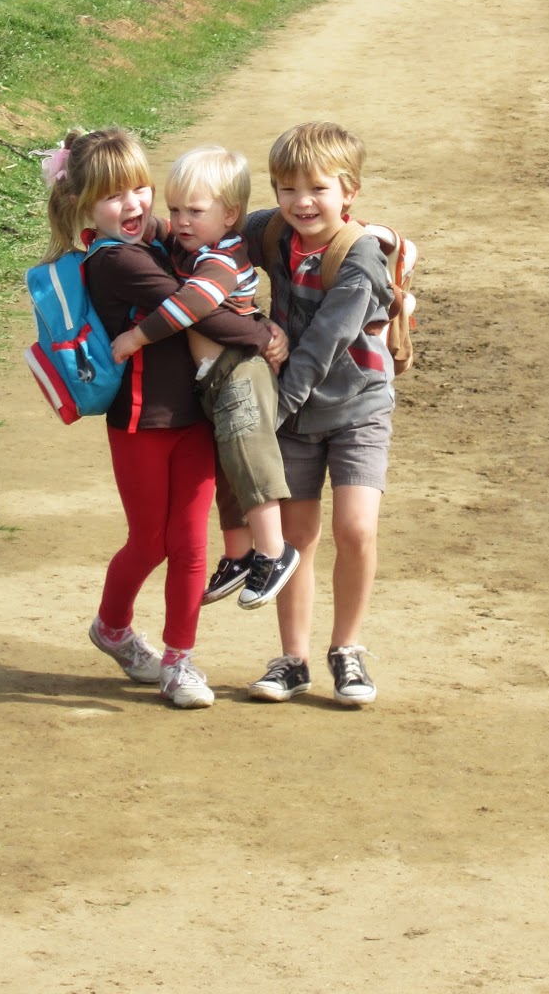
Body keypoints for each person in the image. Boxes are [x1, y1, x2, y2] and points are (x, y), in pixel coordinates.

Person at [42, 128, 281, 710]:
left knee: (189, 544)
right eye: (113, 197)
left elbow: (224, 229)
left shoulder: (152, 237)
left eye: (139, 190)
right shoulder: (118, 261)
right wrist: (268, 333)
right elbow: (203, 312)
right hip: (140, 422)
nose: (134, 206)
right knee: (149, 541)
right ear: (83, 209)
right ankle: (113, 628)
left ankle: (180, 660)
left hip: (193, 417)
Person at [108, 145, 300, 611]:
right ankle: (238, 555)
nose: (181, 221)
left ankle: (273, 550)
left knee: (250, 459)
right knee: (228, 469)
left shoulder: (223, 256)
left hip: (241, 371)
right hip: (214, 378)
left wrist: (138, 336)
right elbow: (155, 231)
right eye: (174, 210)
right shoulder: (190, 244)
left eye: (194, 211)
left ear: (230, 214)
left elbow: (189, 307)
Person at [243, 121, 395, 708]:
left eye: (318, 189)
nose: (301, 202)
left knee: (356, 529)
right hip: (298, 416)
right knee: (295, 538)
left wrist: (270, 414)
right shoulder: (275, 232)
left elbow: (322, 346)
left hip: (356, 407)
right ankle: (293, 659)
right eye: (286, 188)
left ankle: (347, 649)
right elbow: (221, 226)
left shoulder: (360, 260)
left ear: (349, 191)